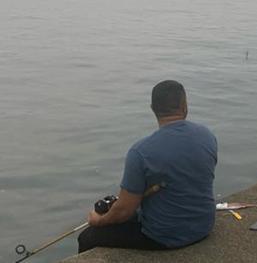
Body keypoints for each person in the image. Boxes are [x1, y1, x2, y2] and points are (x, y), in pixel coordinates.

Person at [78, 80, 218, 253]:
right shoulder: (207, 136)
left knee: (87, 238)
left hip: (164, 237)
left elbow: (124, 211)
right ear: (184, 105)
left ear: (153, 108)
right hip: (204, 226)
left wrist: (98, 221)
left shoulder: (140, 152)